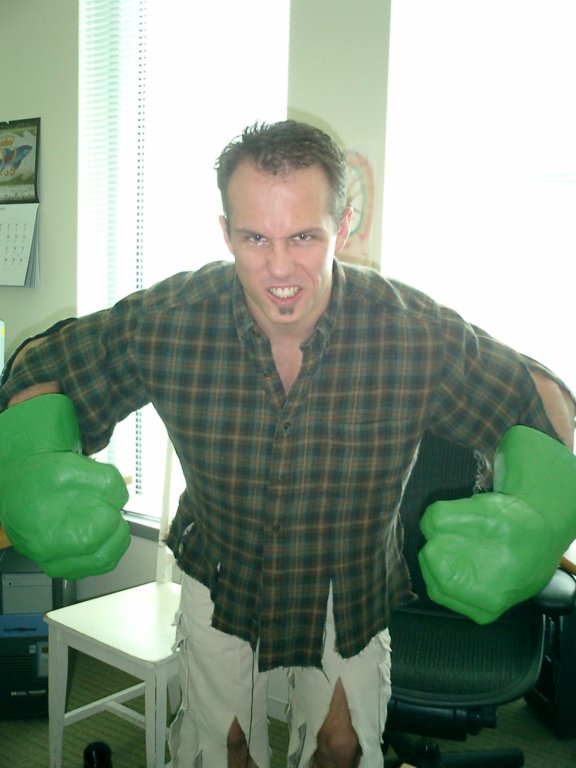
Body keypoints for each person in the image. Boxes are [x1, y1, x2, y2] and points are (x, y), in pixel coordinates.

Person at [0, 120, 575, 768]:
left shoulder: (409, 332)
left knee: (342, 749)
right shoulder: (170, 322)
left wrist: (541, 510)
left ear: (343, 226)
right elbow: (42, 363)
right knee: (226, 752)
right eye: (256, 238)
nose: (279, 268)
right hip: (221, 567)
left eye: (304, 236)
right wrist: (26, 460)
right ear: (226, 232)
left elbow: (536, 391)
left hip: (350, 580)